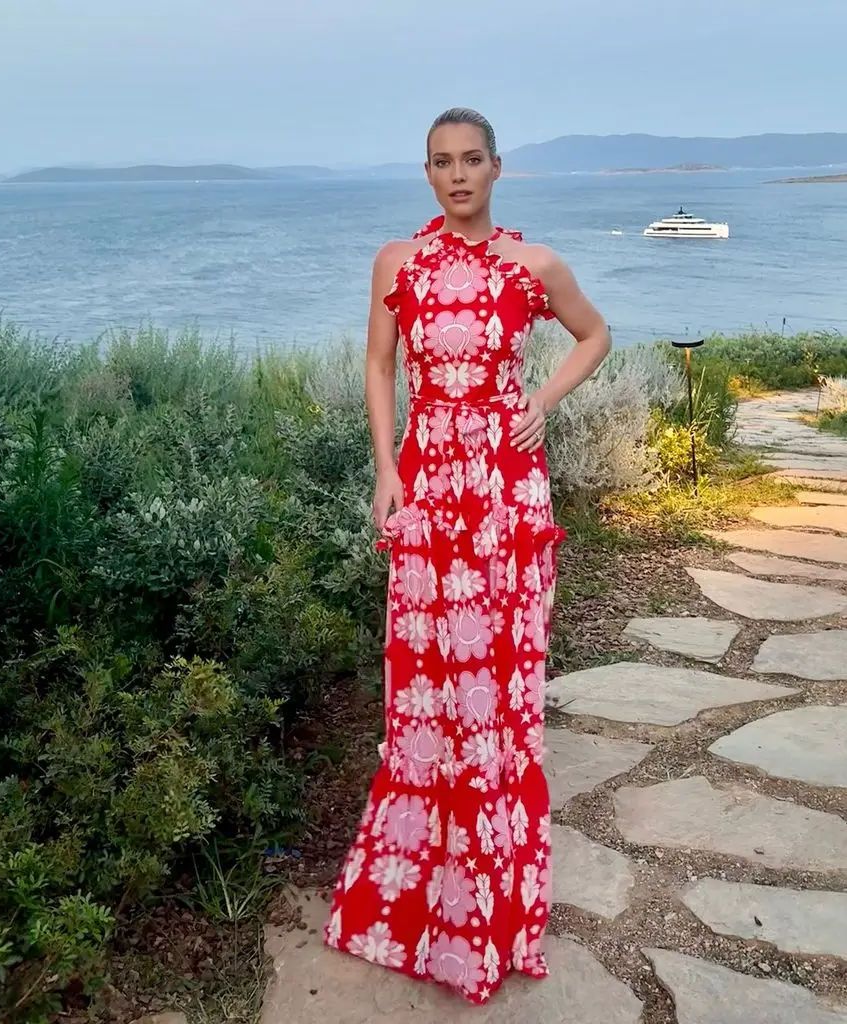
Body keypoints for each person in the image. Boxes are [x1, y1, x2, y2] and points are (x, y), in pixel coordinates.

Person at [323, 107, 611, 1004]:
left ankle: (490, 901)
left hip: (506, 498)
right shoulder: (395, 264)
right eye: (441, 163)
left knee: (495, 689)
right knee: (423, 685)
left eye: (471, 160)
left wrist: (544, 398)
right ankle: (416, 901)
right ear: (427, 173)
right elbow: (379, 367)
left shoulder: (535, 267)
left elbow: (595, 336)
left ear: (497, 168)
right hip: (427, 488)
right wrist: (384, 470)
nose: (457, 176)